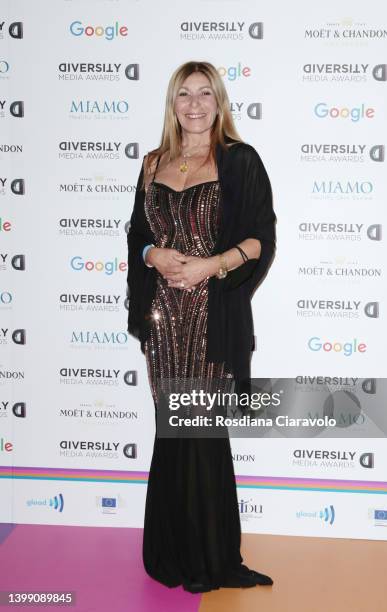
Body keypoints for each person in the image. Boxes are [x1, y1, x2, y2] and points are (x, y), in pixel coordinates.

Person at [126, 61, 277, 593]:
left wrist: (212, 264)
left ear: (219, 102)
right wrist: (152, 254)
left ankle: (214, 560)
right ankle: (169, 554)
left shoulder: (240, 161)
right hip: (163, 320)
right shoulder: (151, 165)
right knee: (174, 432)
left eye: (205, 93)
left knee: (204, 434)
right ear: (173, 103)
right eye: (184, 94)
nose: (194, 104)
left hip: (212, 318)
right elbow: (135, 235)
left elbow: (261, 238)